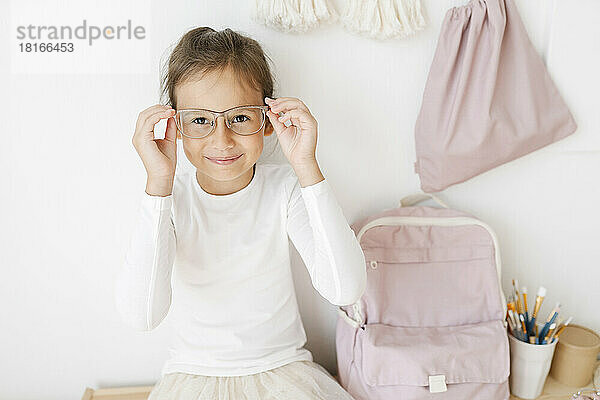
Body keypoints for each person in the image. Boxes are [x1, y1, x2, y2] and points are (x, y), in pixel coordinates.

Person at [114, 26, 366, 400]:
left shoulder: (285, 188)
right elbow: (142, 316)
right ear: (176, 126)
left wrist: (306, 166)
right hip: (193, 377)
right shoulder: (170, 197)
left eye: (240, 118)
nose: (222, 140)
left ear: (267, 120)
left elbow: (346, 288)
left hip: (284, 374)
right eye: (200, 119)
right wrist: (158, 183)